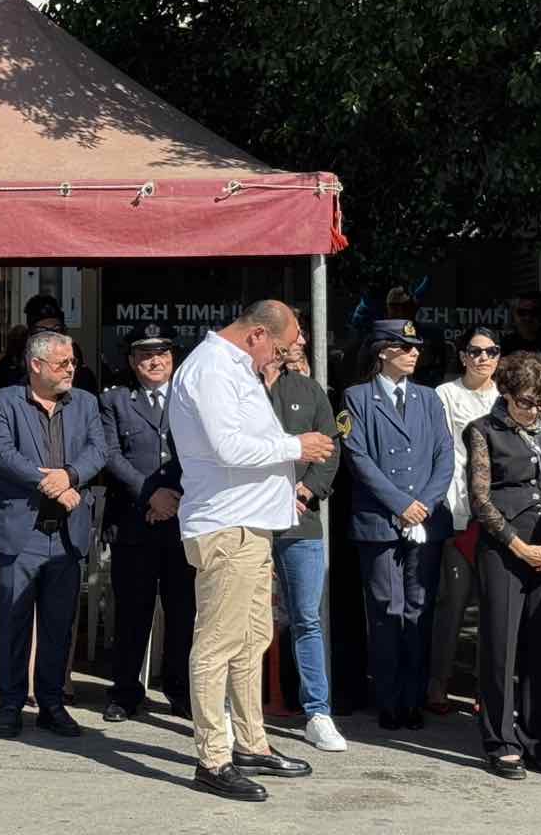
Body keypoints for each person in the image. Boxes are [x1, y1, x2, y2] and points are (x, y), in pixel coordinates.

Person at [167, 301, 335, 802]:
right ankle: (212, 759)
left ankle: (251, 742)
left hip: (252, 525)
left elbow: (250, 439)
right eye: (279, 351)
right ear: (257, 334)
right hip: (227, 526)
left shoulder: (237, 366)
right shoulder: (212, 368)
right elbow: (228, 448)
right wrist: (296, 447)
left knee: (251, 639)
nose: (279, 360)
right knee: (218, 644)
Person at [0, 330, 105, 739]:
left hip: (67, 533)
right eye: (62, 363)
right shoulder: (2, 401)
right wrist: (49, 483)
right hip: (21, 531)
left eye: (72, 362)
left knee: (58, 623)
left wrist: (70, 476)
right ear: (35, 365)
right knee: (13, 621)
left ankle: (52, 704)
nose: (71, 369)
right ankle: (10, 704)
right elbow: (2, 454)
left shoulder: (85, 402)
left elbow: (98, 450)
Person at [465, 352, 541, 779]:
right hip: (504, 547)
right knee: (500, 644)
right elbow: (480, 499)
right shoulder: (483, 430)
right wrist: (517, 546)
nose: (534, 411)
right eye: (526, 402)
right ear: (506, 393)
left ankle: (539, 739)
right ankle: (501, 741)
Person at [342, 318, 455, 731]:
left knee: (419, 609)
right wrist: (400, 504)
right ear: (382, 351)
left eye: (416, 347)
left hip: (424, 520)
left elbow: (445, 455)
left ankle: (414, 699)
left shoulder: (428, 398)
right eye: (405, 347)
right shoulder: (356, 397)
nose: (414, 353)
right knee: (386, 611)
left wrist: (423, 504)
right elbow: (357, 457)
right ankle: (389, 700)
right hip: (379, 521)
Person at [98, 329, 194, 722]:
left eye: (162, 354)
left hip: (182, 520)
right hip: (133, 523)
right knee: (131, 613)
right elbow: (109, 454)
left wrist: (173, 497)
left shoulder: (190, 397)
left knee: (182, 612)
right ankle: (125, 692)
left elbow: (202, 451)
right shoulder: (115, 400)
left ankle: (180, 691)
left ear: (172, 358)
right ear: (132, 361)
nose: (154, 361)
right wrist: (150, 495)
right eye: (145, 355)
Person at [265, 321, 346, 752]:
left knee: (306, 618)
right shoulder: (240, 388)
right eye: (291, 336)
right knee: (242, 619)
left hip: (302, 521)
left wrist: (305, 490)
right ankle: (232, 707)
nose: (298, 343)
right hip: (251, 521)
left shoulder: (310, 390)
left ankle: (318, 712)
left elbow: (330, 449)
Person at [425, 326, 501, 712]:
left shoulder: (506, 397)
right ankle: (437, 684)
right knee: (452, 603)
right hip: (457, 510)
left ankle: (484, 691)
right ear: (462, 356)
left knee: (492, 608)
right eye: (475, 351)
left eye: (491, 351)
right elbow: (439, 453)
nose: (483, 358)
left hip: (499, 516)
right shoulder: (444, 394)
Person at [502, 291, 541, 356]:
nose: (528, 318)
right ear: (513, 314)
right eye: (522, 312)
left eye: (534, 312)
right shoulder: (503, 346)